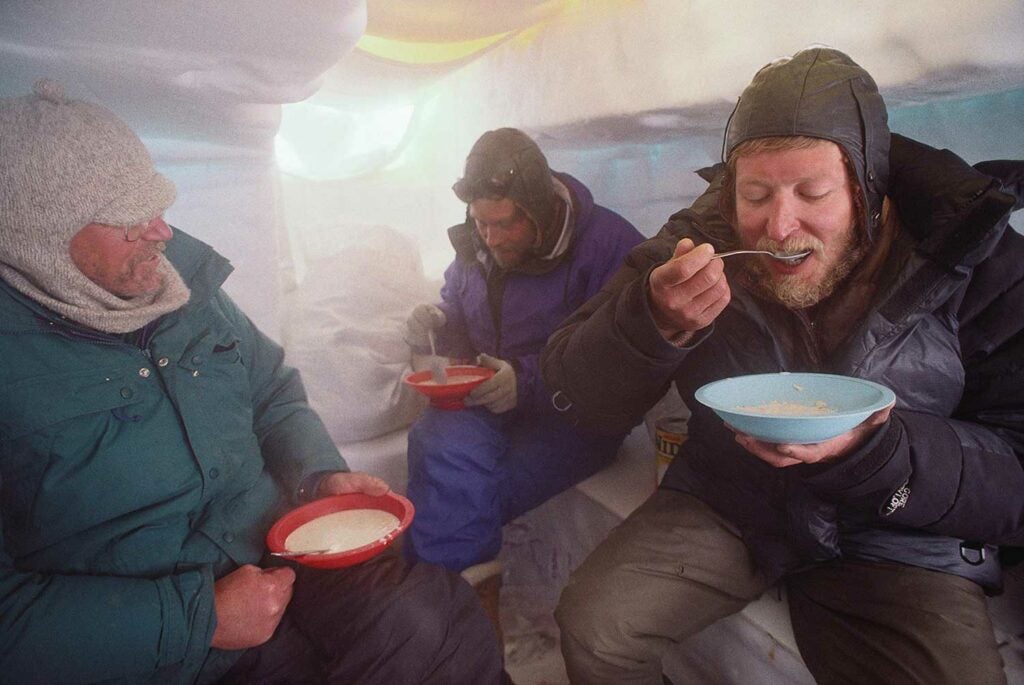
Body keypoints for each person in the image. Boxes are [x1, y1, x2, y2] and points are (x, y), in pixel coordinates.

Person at [540, 47, 1024, 684]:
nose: (778, 224)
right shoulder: (697, 240)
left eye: (812, 192)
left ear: (869, 191)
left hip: (897, 527)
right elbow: (577, 391)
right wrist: (655, 322)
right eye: (757, 193)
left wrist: (879, 455)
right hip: (735, 497)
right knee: (597, 630)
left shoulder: (972, 255)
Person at [0, 80, 504, 685]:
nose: (159, 234)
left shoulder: (182, 289)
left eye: (157, 206)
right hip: (154, 637)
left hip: (281, 557)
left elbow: (271, 392)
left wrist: (317, 472)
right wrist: (195, 620)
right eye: (128, 223)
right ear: (41, 238)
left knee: (433, 618)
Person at [402, 128, 644, 637]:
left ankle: (444, 629)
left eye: (504, 224)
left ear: (537, 208)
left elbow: (626, 356)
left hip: (575, 416)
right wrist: (441, 323)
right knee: (434, 438)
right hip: (491, 396)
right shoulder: (477, 243)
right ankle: (447, 623)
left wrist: (531, 381)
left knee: (461, 493)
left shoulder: (611, 247)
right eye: (480, 223)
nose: (490, 238)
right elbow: (461, 309)